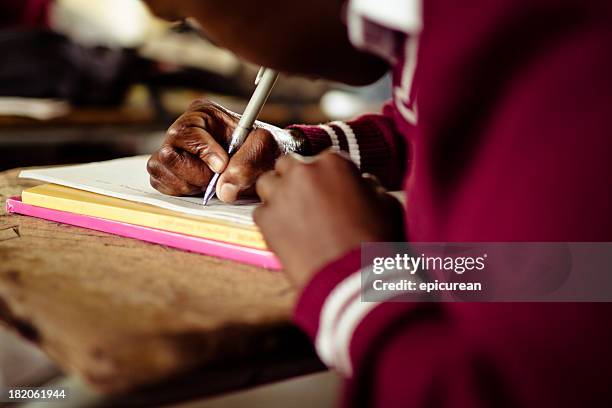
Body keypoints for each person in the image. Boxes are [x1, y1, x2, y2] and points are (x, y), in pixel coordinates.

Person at [145, 0, 612, 406]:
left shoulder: (573, 62)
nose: (226, 47)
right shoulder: (441, 32)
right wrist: (291, 150)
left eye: (193, 19)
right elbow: (433, 127)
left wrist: (352, 279)